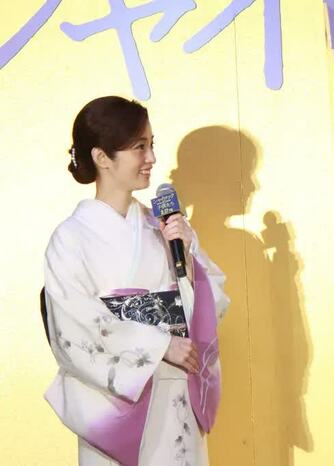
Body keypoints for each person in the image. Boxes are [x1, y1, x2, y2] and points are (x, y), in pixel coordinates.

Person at [43, 96, 229, 465]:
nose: (152, 158)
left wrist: (189, 256)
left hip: (174, 391)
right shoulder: (70, 238)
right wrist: (161, 345)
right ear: (102, 157)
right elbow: (72, 327)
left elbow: (215, 305)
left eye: (151, 145)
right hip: (115, 398)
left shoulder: (167, 228)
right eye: (139, 147)